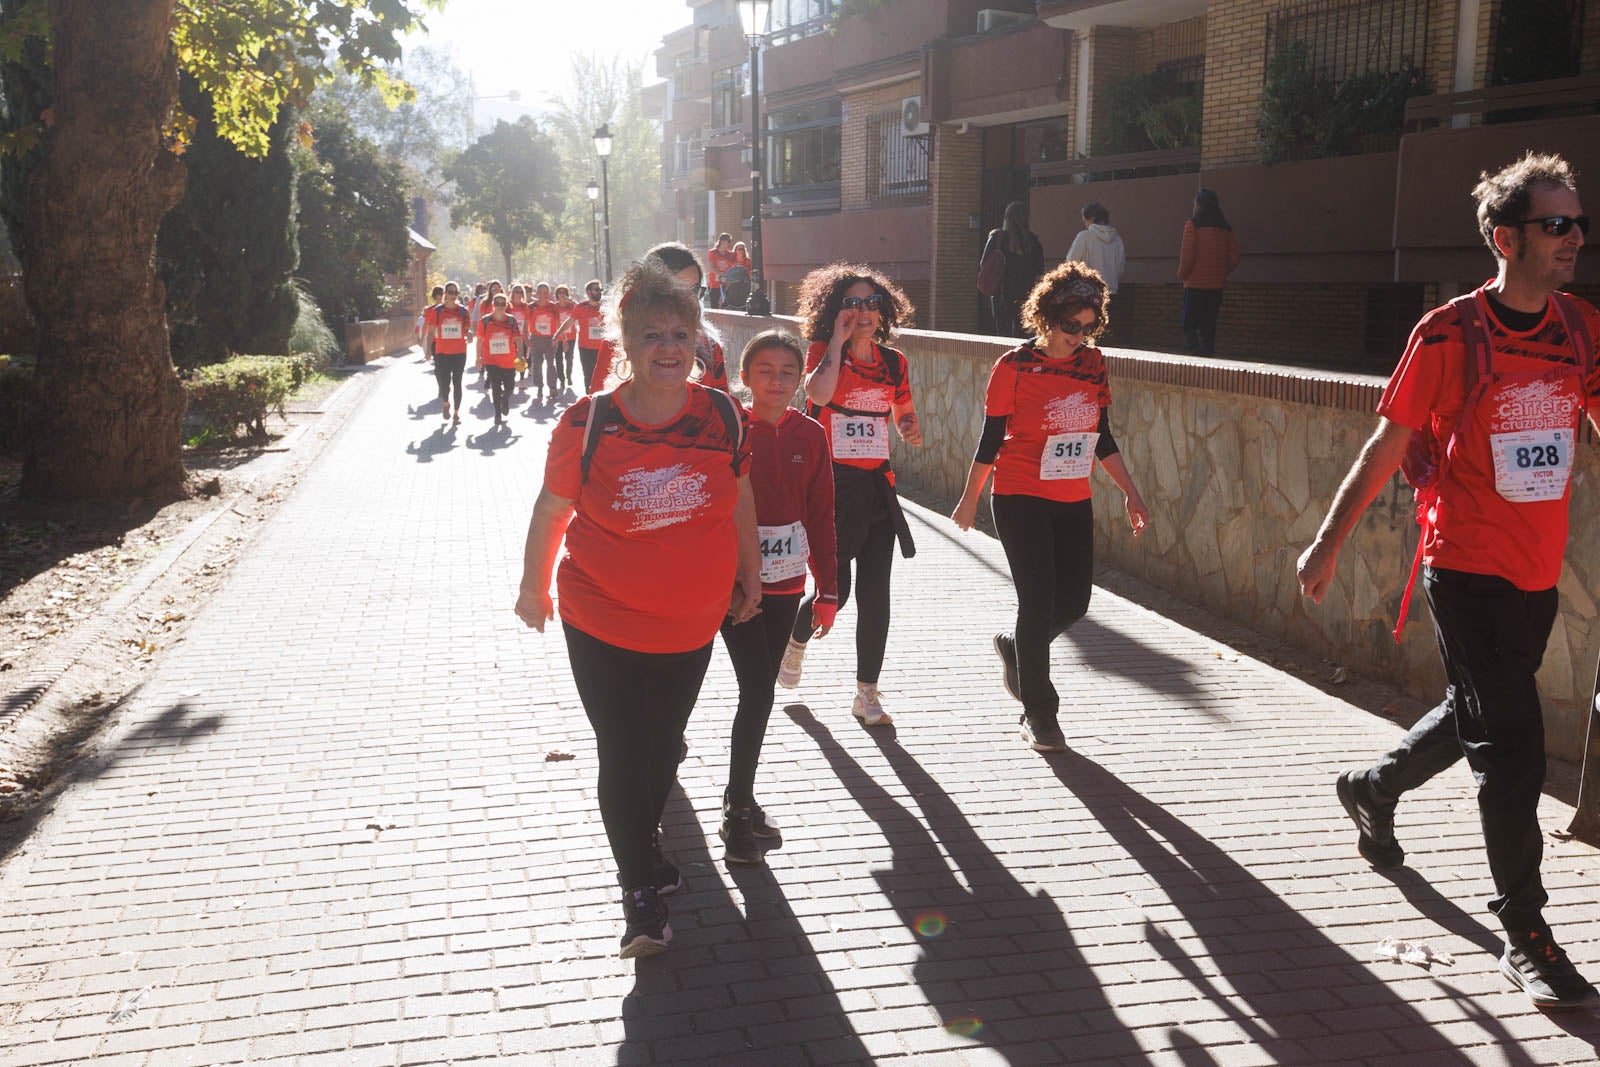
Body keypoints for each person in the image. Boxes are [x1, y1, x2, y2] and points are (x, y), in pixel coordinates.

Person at [1296, 152, 1600, 1009]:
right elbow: (1384, 445)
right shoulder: (1447, 333)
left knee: (1481, 713)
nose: (1574, 236)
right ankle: (1525, 929)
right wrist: (1326, 543)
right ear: (1507, 238)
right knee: (1513, 752)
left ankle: (1372, 786)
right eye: (1556, 224)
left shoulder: (1581, 330)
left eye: (1578, 222)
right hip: (1463, 569)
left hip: (1538, 574)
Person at [515, 260, 760, 960]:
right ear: (625, 339)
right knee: (626, 751)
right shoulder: (589, 422)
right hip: (604, 618)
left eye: (680, 332)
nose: (668, 346)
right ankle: (639, 892)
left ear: (697, 340)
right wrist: (534, 588)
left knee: (663, 746)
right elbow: (552, 508)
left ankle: (645, 849)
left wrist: (752, 570)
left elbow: (741, 496)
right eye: (652, 333)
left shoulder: (721, 414)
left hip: (691, 623)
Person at [950, 263, 1149, 751]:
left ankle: (1020, 648)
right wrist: (968, 500)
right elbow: (990, 439)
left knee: (1074, 603)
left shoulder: (1093, 365)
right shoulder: (1013, 367)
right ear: (1046, 317)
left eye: (1088, 328)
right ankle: (1040, 714)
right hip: (1019, 494)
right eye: (1070, 327)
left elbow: (1102, 436)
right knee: (1037, 603)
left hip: (1072, 497)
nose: (1078, 337)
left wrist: (1131, 491)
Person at [776, 264, 922, 726]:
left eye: (871, 303)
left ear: (883, 311)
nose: (863, 311)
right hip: (832, 486)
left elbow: (902, 411)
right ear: (836, 310)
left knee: (877, 596)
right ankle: (796, 642)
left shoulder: (894, 362)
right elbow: (817, 393)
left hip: (878, 486)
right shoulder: (823, 351)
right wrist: (838, 344)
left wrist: (907, 426)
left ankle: (867, 693)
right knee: (834, 590)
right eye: (852, 303)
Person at [719, 330, 839, 864]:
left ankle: (738, 801)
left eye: (787, 371)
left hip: (786, 583)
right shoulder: (727, 430)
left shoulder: (811, 435)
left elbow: (820, 515)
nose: (776, 380)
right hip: (728, 585)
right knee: (757, 691)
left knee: (759, 690)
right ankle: (737, 810)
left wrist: (828, 587)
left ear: (801, 379)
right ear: (745, 377)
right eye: (765, 370)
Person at [589, 243, 729, 393]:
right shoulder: (618, 343)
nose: (687, 300)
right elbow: (596, 404)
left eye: (694, 290)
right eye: (677, 289)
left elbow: (725, 411)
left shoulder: (710, 347)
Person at [1177, 189, 1239, 357]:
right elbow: (1234, 257)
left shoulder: (1193, 225)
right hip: (1216, 285)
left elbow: (1187, 255)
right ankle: (1208, 357)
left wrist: (1183, 275)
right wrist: (1220, 272)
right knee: (1208, 326)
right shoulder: (1225, 228)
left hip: (1195, 284)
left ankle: (1197, 354)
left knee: (1187, 325)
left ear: (1198, 205)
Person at [979, 201, 1045, 337]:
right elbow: (1039, 269)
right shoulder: (1033, 241)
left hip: (1002, 293)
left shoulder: (997, 238)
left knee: (1003, 333)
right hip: (1026, 294)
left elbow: (984, 263)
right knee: (1023, 334)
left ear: (1006, 218)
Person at [420, 281, 472, 425]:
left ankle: (456, 413)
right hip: (442, 352)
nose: (453, 296)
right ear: (445, 294)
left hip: (459, 352)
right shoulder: (437, 311)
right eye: (450, 292)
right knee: (444, 382)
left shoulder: (463, 311)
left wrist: (469, 335)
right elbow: (430, 332)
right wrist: (429, 350)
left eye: (456, 293)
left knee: (457, 382)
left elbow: (467, 330)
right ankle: (446, 402)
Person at [477, 292, 521, 429]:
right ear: (493, 305)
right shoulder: (484, 321)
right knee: (495, 386)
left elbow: (518, 339)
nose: (500, 306)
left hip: (509, 360)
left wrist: (520, 355)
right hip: (491, 360)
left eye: (503, 304)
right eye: (497, 303)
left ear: (506, 305)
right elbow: (479, 341)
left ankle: (505, 399)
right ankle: (497, 414)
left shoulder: (511, 320)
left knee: (510, 387)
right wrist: (478, 358)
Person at [1066, 201, 1125, 301]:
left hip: (1087, 290)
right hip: (1111, 290)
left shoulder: (1084, 236)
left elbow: (1071, 262)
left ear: (1091, 219)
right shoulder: (1118, 240)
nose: (1084, 223)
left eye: (1085, 220)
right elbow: (1120, 268)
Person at [557, 280, 607, 395]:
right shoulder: (580, 307)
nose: (599, 292)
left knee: (602, 375)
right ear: (589, 292)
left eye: (600, 290)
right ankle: (589, 399)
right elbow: (570, 321)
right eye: (596, 290)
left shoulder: (606, 307)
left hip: (602, 347)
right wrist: (557, 334)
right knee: (588, 375)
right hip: (586, 348)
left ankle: (600, 400)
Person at [527, 282, 561, 403]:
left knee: (551, 363)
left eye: (546, 292)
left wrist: (560, 338)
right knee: (537, 363)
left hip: (550, 338)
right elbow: (525, 325)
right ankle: (539, 386)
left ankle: (552, 387)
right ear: (537, 293)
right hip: (536, 338)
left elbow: (558, 324)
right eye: (541, 292)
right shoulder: (531, 307)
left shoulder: (553, 307)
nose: (544, 295)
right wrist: (527, 340)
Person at [554, 284, 579, 389]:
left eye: (564, 292)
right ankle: (562, 379)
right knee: (558, 359)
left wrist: (573, 301)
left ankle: (569, 375)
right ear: (557, 295)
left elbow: (581, 308)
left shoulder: (571, 306)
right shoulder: (555, 306)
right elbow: (556, 323)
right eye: (560, 293)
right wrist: (562, 338)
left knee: (569, 358)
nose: (562, 295)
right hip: (558, 337)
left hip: (571, 336)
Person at [707, 233, 737, 309]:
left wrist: (728, 275)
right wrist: (720, 274)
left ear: (729, 243)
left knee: (726, 303)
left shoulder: (731, 254)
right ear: (719, 241)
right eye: (722, 240)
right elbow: (711, 267)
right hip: (714, 282)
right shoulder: (713, 252)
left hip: (727, 282)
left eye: (726, 241)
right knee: (714, 303)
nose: (724, 243)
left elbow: (735, 266)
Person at [418, 284, 444, 360]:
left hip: (447, 340)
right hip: (435, 341)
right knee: (438, 364)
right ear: (435, 296)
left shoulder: (449, 309)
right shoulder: (430, 310)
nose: (443, 296)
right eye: (441, 294)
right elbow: (426, 325)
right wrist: (422, 339)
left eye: (443, 294)